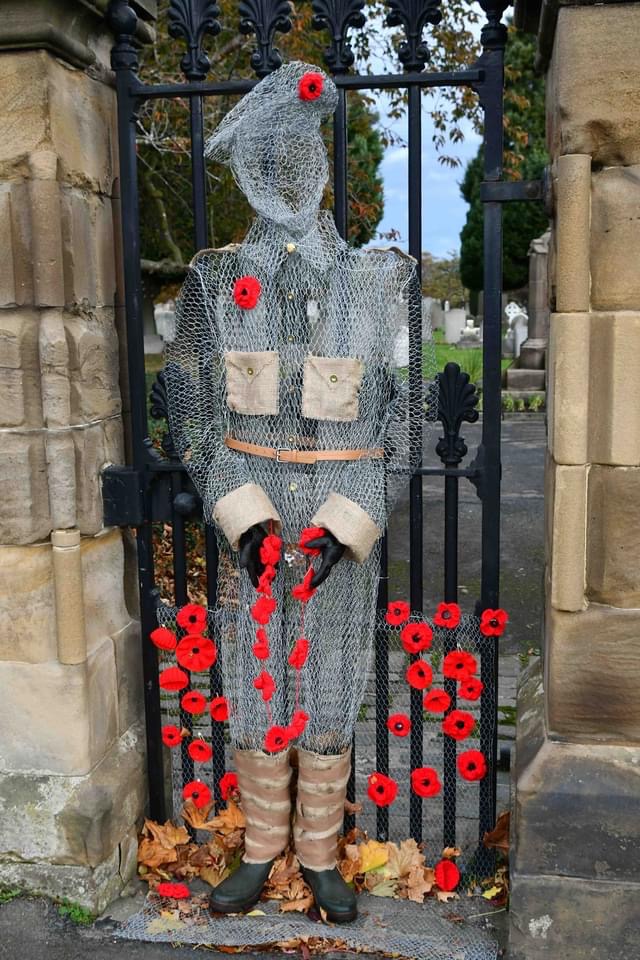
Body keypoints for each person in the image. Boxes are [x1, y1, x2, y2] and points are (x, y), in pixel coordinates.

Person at [166, 60, 434, 922]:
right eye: (267, 157)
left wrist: (346, 521)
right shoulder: (213, 283)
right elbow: (197, 415)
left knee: (330, 680)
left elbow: (405, 418)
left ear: (321, 161)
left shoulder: (381, 282)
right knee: (253, 676)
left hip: (335, 514)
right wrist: (243, 517)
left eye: (298, 153)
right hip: (257, 509)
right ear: (249, 171)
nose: (286, 173)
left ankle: (319, 858)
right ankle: (257, 852)